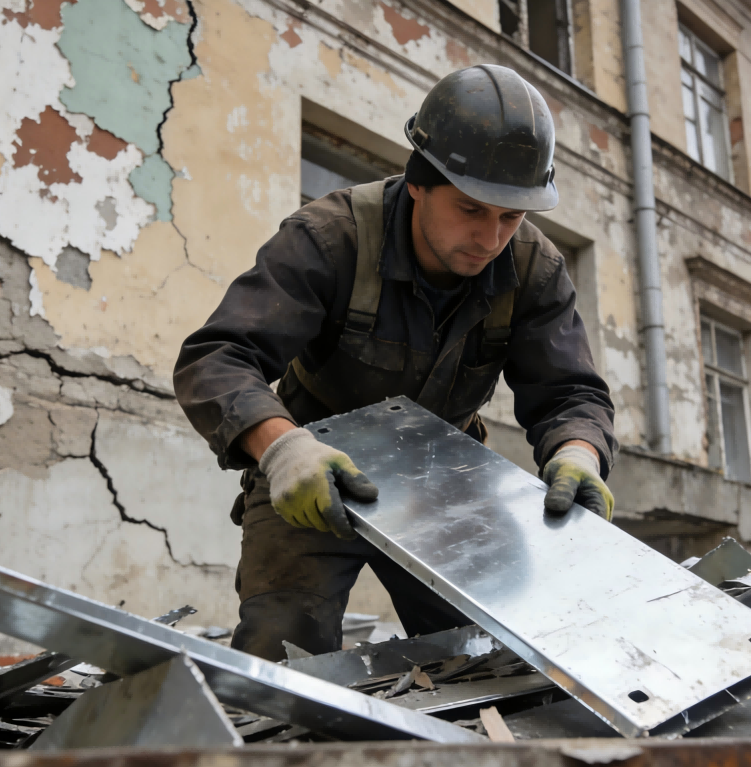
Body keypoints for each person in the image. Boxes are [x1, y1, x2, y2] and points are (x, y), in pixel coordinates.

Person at [174, 64, 618, 661]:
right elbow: (218, 357)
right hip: (316, 470)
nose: (490, 239)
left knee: (481, 655)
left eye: (510, 217)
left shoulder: (534, 268)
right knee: (284, 652)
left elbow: (571, 393)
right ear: (417, 183)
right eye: (470, 209)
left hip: (448, 480)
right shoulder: (329, 238)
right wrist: (281, 449)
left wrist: (578, 454)